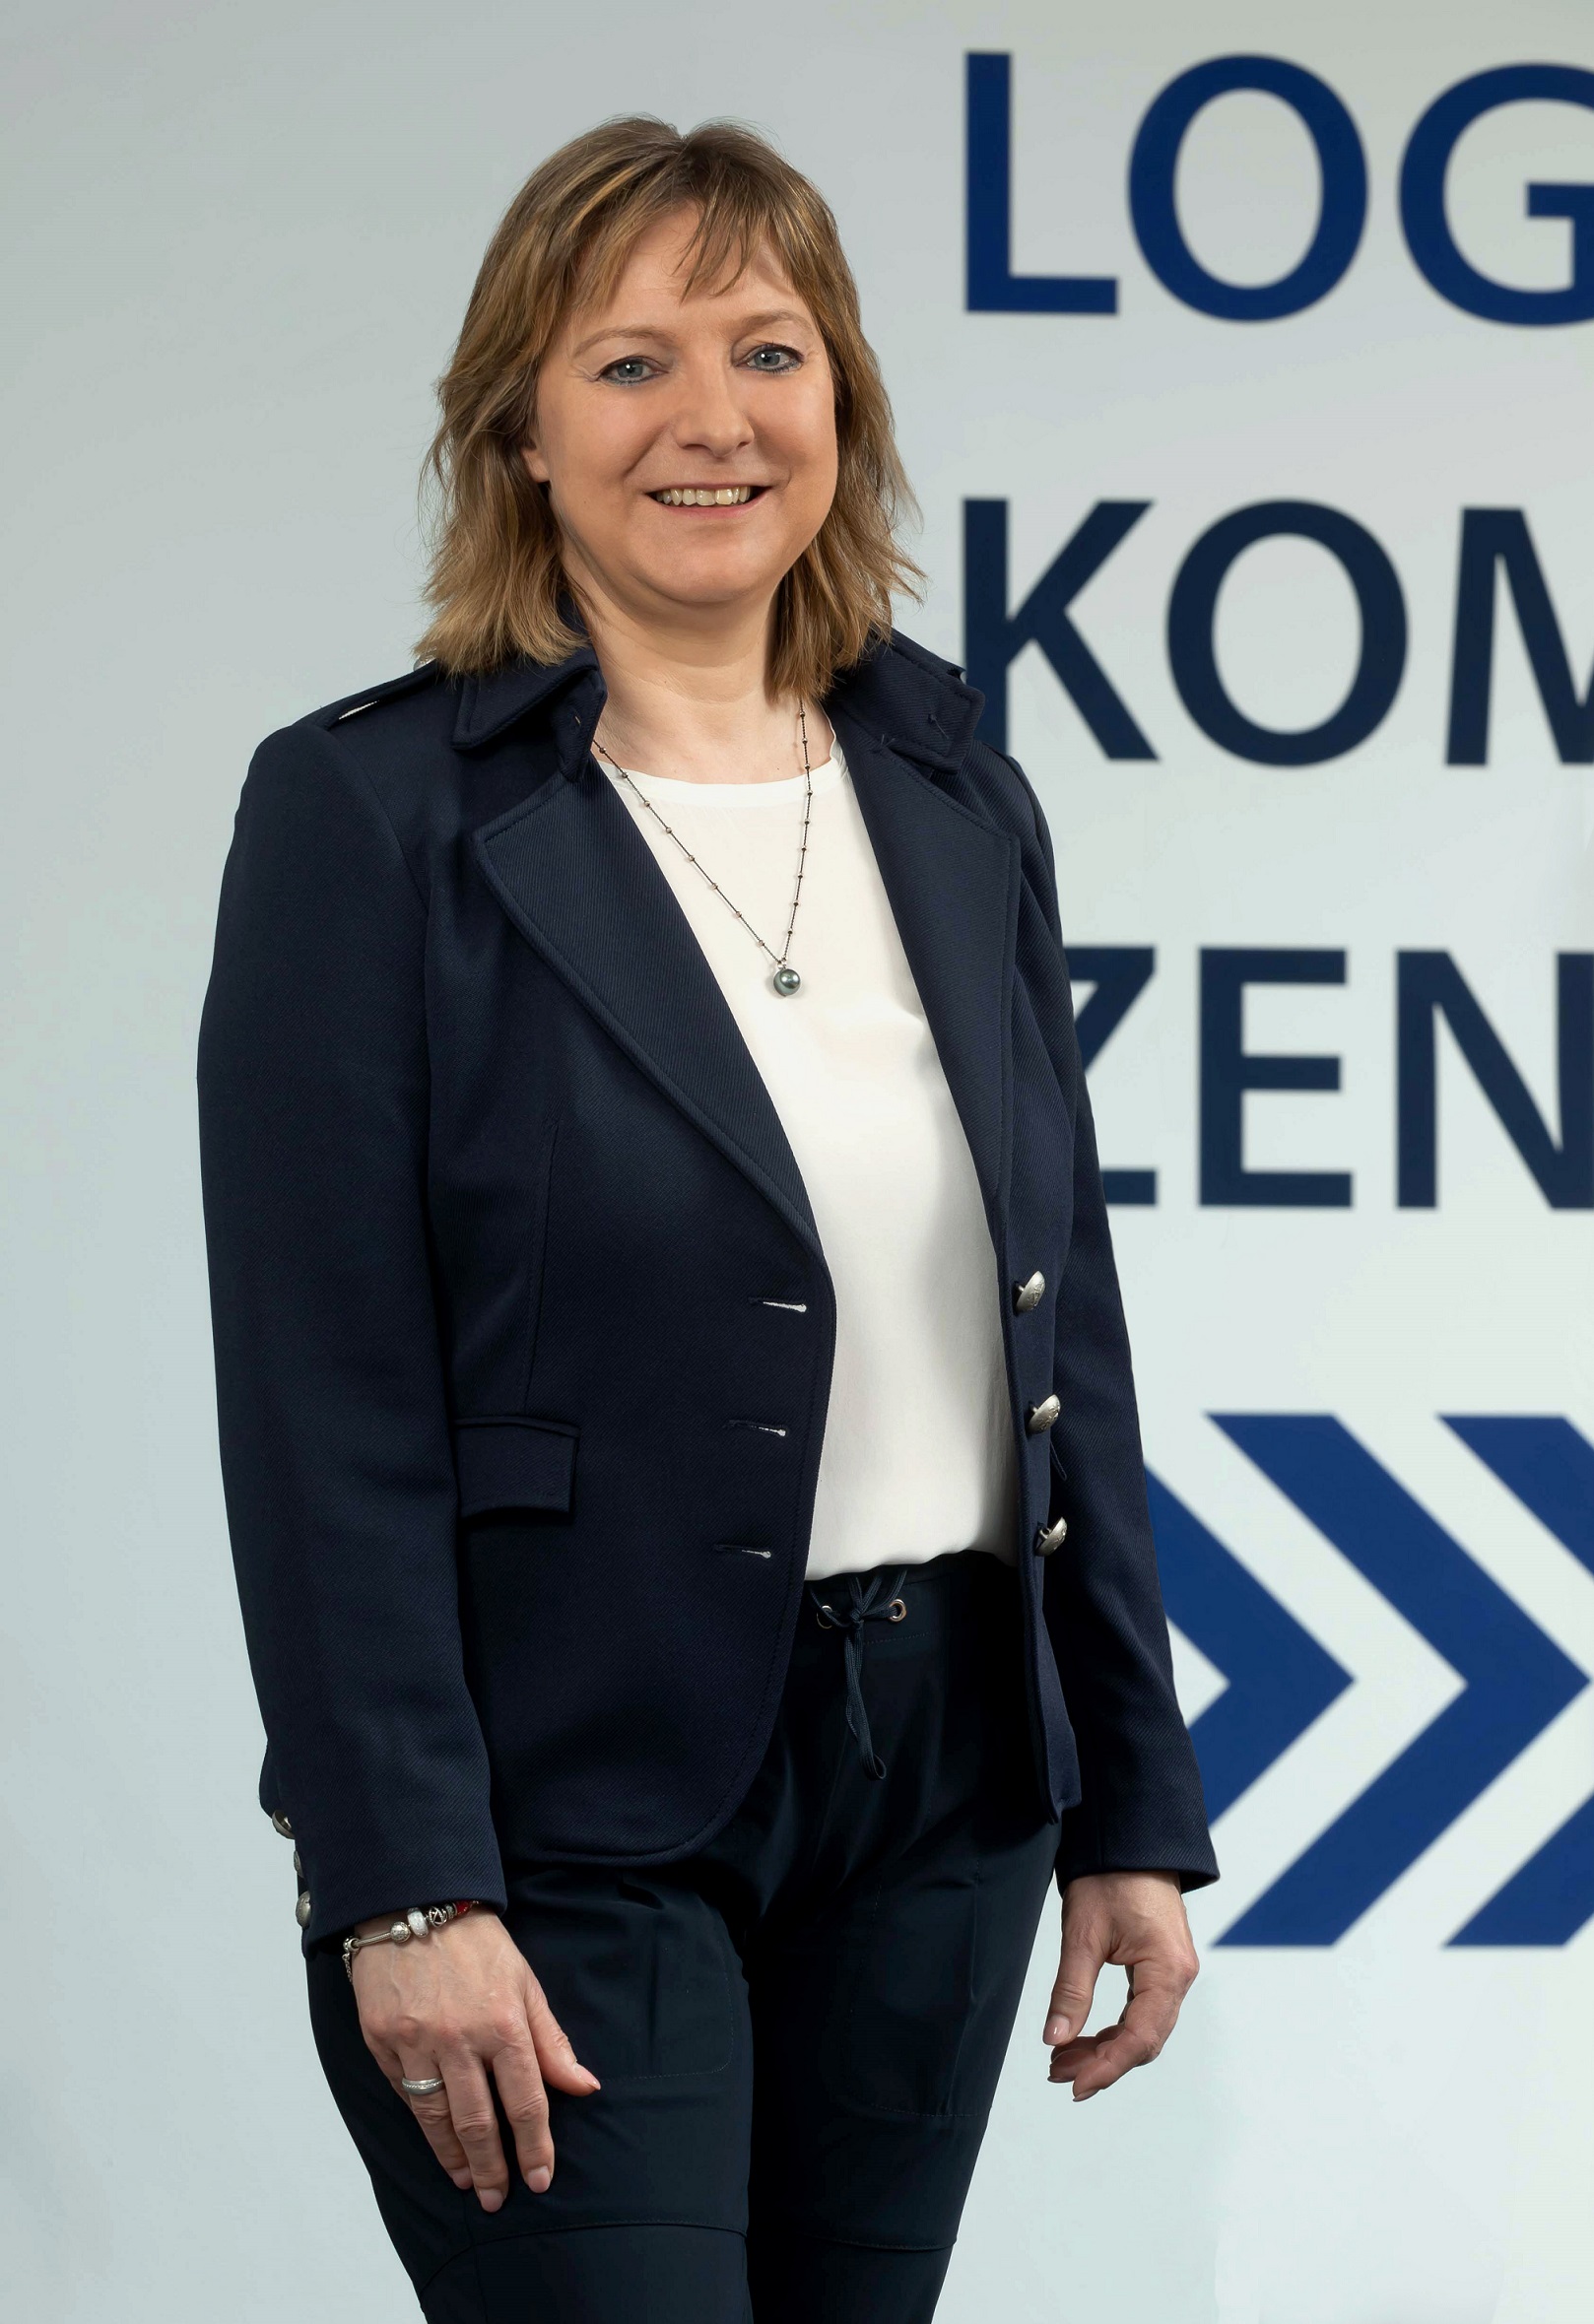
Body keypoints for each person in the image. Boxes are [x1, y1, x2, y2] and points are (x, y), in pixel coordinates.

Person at [197, 113, 1217, 2324]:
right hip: (559, 1811)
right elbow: (320, 1402)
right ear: (520, 434)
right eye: (629, 362)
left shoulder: (955, 790)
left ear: (841, 404)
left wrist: (1129, 1795)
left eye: (768, 350)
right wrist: (399, 1885)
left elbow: (1062, 1329)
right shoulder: (368, 814)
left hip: (943, 1790)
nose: (713, 418)